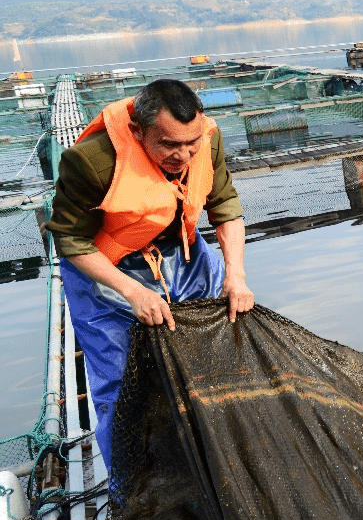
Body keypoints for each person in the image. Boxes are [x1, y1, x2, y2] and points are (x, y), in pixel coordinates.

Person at [47, 78, 253, 470]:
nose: (183, 155)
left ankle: (215, 462)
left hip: (183, 254)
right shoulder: (90, 161)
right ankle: (132, 490)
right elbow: (69, 241)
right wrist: (133, 292)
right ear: (138, 132)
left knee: (217, 357)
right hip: (108, 269)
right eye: (169, 145)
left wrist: (236, 275)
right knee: (122, 385)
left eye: (190, 144)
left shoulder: (206, 140)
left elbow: (225, 205)